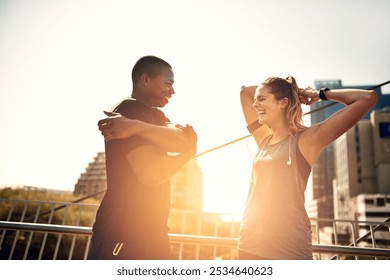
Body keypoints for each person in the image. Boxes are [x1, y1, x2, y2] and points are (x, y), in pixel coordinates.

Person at [238, 76, 377, 260]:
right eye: (256, 100)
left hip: (286, 249)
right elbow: (245, 93)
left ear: (283, 103)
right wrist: (292, 91)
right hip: (249, 244)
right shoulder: (263, 139)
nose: (255, 104)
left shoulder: (306, 141)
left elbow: (367, 98)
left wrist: (317, 94)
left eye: (262, 99)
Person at [87, 55, 197, 260]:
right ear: (145, 80)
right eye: (168, 84)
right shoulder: (128, 108)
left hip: (153, 235)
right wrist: (188, 156)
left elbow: (182, 140)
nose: (172, 91)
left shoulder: (156, 116)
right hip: (124, 235)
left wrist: (137, 127)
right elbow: (151, 175)